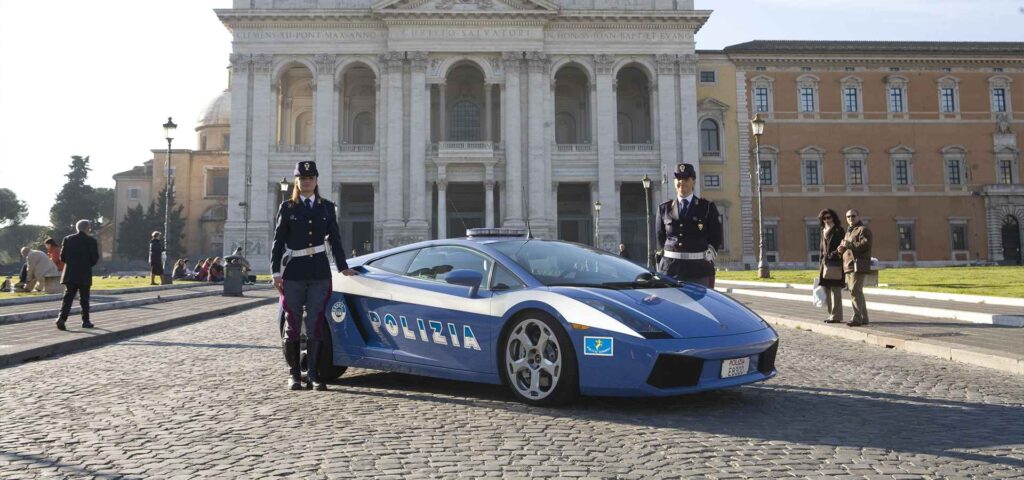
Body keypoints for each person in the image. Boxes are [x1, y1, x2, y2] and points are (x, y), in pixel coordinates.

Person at [271, 160, 358, 391]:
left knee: (316, 324)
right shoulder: (287, 208)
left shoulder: (327, 208)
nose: (307, 181)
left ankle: (314, 374)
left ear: (316, 181)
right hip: (293, 274)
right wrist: (275, 272)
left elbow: (335, 240)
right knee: (292, 324)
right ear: (297, 181)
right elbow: (278, 242)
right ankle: (294, 375)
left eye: (310, 178)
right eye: (302, 178)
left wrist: (342, 267)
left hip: (319, 272)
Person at [656, 163, 723, 288]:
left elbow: (716, 235)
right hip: (671, 269)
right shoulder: (664, 208)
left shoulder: (706, 207)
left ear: (694, 182)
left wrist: (709, 254)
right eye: (678, 178)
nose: (682, 182)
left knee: (700, 306)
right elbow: (661, 237)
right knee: (671, 306)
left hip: (699, 270)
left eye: (686, 179)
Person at [55, 219, 99, 330]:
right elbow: (95, 258)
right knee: (84, 299)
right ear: (87, 228)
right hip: (84, 273)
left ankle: (62, 317)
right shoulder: (91, 241)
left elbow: (62, 257)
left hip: (70, 272)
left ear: (77, 228)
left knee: (68, 297)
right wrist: (87, 264)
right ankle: (86, 321)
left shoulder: (68, 239)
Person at [837, 209, 872, 327]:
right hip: (849, 265)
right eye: (848, 217)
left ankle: (857, 318)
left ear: (858, 216)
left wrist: (849, 245)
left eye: (853, 216)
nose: (851, 218)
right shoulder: (848, 232)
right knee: (857, 292)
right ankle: (864, 317)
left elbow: (865, 245)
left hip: (858, 265)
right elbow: (847, 247)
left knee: (855, 291)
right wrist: (841, 249)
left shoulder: (863, 230)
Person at [817, 209, 846, 324]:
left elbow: (841, 247)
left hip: (835, 263)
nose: (827, 220)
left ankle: (836, 316)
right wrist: (821, 262)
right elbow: (821, 249)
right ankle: (831, 314)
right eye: (824, 218)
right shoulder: (823, 230)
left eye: (829, 217)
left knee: (835, 290)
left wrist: (831, 255)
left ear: (833, 218)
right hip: (824, 264)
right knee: (826, 289)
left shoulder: (838, 231)